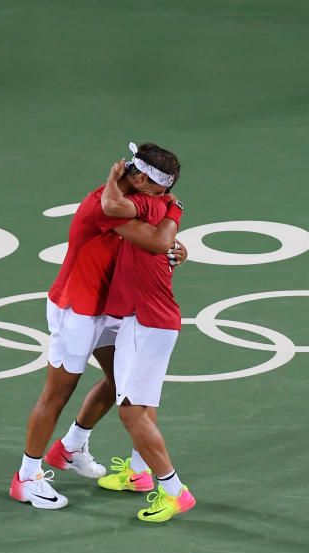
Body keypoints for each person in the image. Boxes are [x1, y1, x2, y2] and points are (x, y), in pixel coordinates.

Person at [9, 148, 186, 510]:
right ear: (139, 179)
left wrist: (178, 248)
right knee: (56, 394)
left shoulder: (134, 198)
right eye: (157, 189)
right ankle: (26, 478)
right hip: (75, 310)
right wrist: (171, 226)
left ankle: (70, 447)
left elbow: (157, 240)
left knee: (122, 385)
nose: (161, 197)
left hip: (109, 309)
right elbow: (155, 239)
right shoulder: (106, 205)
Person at [97, 143, 196, 523]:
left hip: (147, 322)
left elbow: (109, 208)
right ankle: (139, 472)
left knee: (131, 412)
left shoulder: (149, 206)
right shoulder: (163, 206)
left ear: (144, 180)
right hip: (152, 320)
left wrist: (111, 178)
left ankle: (173, 491)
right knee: (144, 404)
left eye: (135, 174)